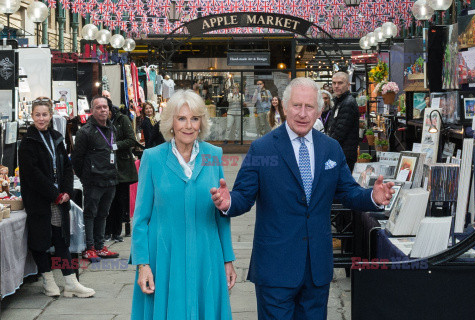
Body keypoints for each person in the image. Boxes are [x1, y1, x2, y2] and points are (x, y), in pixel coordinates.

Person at [210, 77, 394, 320]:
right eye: (297, 106)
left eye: (309, 107)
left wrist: (372, 196)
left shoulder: (331, 149)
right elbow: (243, 196)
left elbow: (348, 193)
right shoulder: (262, 149)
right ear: (285, 107)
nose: (303, 113)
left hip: (316, 268)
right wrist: (228, 202)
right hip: (276, 266)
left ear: (319, 110)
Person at [130, 89, 237, 319]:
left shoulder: (213, 155)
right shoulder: (152, 158)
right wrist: (143, 265)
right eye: (181, 118)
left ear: (201, 123)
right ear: (171, 123)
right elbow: (140, 220)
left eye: (194, 118)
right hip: (164, 258)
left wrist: (228, 259)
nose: (188, 126)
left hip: (206, 256)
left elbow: (221, 214)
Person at [19, 97, 95, 298]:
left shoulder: (57, 137)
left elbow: (67, 166)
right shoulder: (27, 142)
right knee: (41, 241)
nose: (41, 119)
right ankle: (48, 280)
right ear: (32, 116)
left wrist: (67, 191)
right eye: (37, 115)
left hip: (60, 200)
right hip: (40, 200)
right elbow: (32, 174)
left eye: (45, 114)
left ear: (51, 116)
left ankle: (70, 281)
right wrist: (55, 194)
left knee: (62, 241)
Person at [72, 95, 119, 261]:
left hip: (110, 178)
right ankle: (89, 247)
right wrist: (85, 177)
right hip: (93, 180)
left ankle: (100, 246)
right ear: (92, 110)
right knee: (90, 214)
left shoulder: (112, 128)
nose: (103, 110)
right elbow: (77, 159)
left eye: (105, 107)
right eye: (98, 107)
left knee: (103, 213)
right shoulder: (85, 132)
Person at [105, 98, 138, 242]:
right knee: (108, 202)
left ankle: (117, 232)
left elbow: (132, 140)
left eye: (105, 109)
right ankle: (107, 231)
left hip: (122, 168)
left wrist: (115, 145)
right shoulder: (100, 121)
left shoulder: (122, 119)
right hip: (106, 167)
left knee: (120, 201)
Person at [325, 71, 360, 172]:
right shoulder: (339, 101)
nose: (336, 86)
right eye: (334, 83)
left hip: (344, 154)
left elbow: (340, 132)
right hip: (339, 152)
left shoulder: (348, 103)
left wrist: (326, 146)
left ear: (348, 85)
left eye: (340, 83)